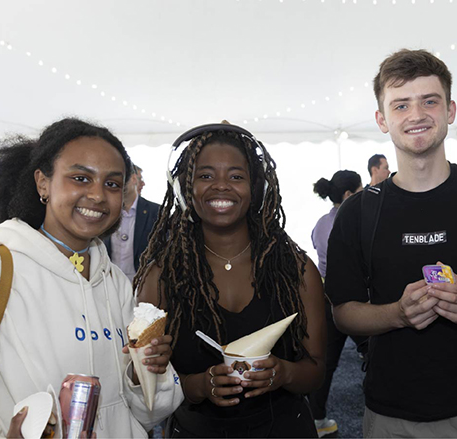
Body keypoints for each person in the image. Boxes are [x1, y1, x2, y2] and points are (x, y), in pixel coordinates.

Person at [326, 49, 457, 438]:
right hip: (390, 410)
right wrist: (397, 314)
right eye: (400, 104)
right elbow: (343, 312)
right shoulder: (357, 214)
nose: (416, 115)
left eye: (429, 101)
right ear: (382, 119)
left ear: (450, 110)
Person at [0, 118, 183, 437]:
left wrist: (145, 374)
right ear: (43, 183)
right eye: (81, 178)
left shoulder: (115, 283)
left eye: (112, 184)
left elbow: (145, 415)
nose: (97, 195)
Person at [133, 123, 325, 438]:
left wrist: (283, 373)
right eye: (205, 176)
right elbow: (141, 375)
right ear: (186, 187)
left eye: (236, 176)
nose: (220, 187)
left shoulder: (297, 270)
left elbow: (316, 371)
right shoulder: (161, 276)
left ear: (256, 188)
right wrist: (197, 385)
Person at [308, 169, 364, 437]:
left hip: (324, 296)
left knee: (326, 362)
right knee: (376, 353)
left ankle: (316, 419)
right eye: (360, 189)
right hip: (354, 297)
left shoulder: (320, 222)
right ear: (349, 194)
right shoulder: (356, 219)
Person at [103, 162, 161, 282]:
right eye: (112, 182)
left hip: (143, 285)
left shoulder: (156, 212)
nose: (118, 185)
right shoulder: (103, 211)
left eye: (122, 180)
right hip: (109, 284)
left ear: (134, 179)